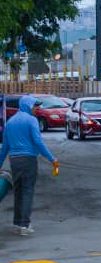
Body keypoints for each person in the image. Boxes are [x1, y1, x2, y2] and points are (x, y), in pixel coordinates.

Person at [0, 95, 59, 236]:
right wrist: (52, 159)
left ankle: (17, 223)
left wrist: (0, 163)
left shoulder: (11, 122)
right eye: (34, 106)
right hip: (28, 160)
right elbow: (38, 142)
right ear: (27, 105)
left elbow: (5, 147)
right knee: (27, 191)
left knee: (18, 191)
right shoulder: (31, 120)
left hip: (14, 161)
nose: (36, 109)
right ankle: (24, 225)